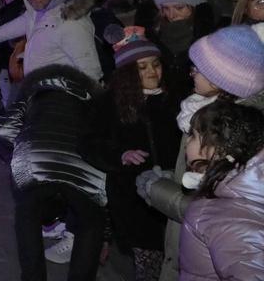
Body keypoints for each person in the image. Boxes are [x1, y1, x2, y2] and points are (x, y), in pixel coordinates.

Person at [136, 24, 264, 281]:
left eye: (198, 68)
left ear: (221, 78)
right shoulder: (210, 111)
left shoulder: (228, 129)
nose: (191, 73)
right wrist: (175, 176)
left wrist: (158, 190)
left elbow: (220, 212)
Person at [0, 62, 107, 281]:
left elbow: (4, 129)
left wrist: (21, 146)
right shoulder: (93, 97)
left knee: (27, 215)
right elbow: (103, 135)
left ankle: (33, 276)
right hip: (81, 162)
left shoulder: (31, 90)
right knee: (90, 222)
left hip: (36, 158)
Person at [85, 28, 181, 281]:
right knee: (149, 265)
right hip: (134, 200)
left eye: (156, 64)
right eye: (142, 67)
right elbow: (89, 144)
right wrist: (120, 155)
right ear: (127, 73)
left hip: (174, 191)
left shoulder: (174, 100)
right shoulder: (110, 103)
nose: (153, 72)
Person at [178, 98, 264, 281]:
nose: (187, 143)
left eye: (192, 135)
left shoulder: (220, 216)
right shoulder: (237, 196)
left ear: (216, 149)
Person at [150, 0, 216, 98]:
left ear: (194, 7)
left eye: (179, 7)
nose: (171, 15)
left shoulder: (208, 36)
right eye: (165, 8)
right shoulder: (153, 33)